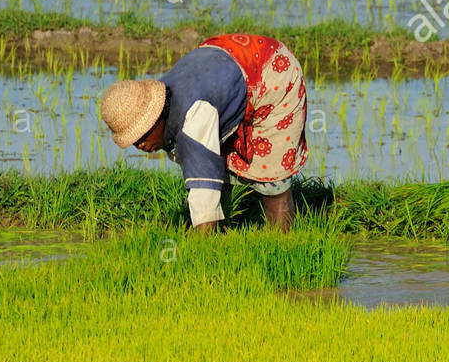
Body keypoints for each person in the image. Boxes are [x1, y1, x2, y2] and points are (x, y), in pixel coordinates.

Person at [99, 34, 308, 233]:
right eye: (134, 142)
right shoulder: (159, 97)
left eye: (142, 136)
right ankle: (227, 231)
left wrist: (200, 250)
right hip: (228, 60)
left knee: (272, 180)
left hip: (273, 72)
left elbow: (203, 189)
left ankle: (282, 243)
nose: (141, 146)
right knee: (221, 166)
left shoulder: (194, 115)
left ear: (156, 118)